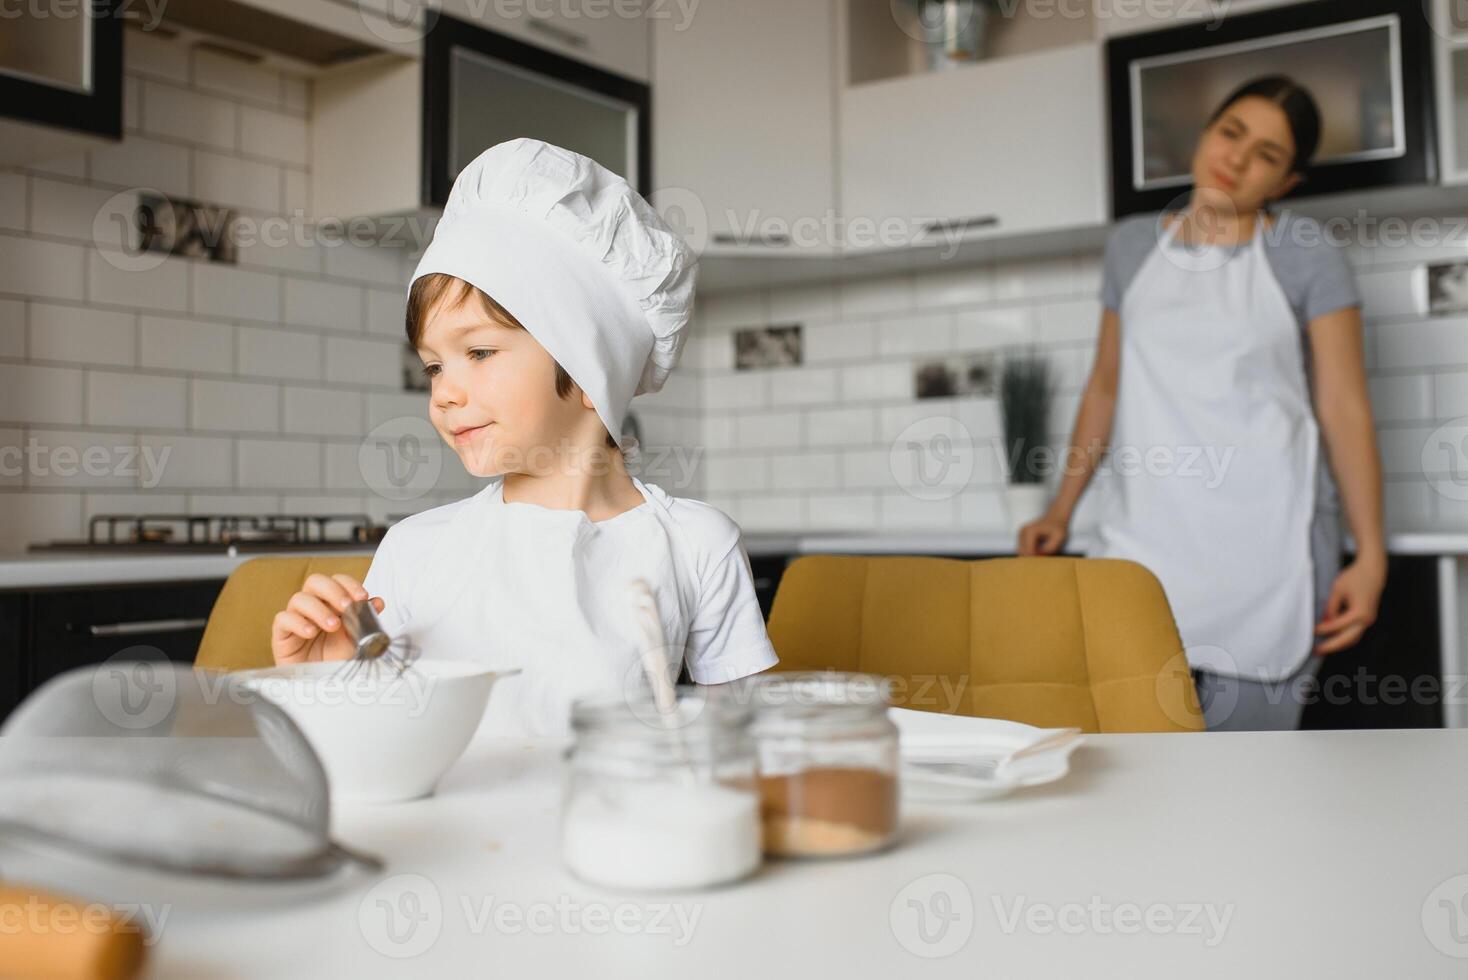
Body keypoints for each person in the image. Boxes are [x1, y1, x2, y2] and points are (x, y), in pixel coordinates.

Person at [269, 138, 779, 736]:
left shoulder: (696, 545)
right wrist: (328, 682)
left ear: (594, 369)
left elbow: (745, 747)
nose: (443, 394)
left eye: (479, 352)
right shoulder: (414, 552)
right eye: (435, 366)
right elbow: (382, 744)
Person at [1018, 77, 1385, 731]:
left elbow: (1343, 406)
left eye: (1267, 155)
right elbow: (1106, 385)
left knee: (1251, 783)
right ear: (1207, 133)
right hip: (1145, 540)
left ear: (1287, 182)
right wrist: (1062, 509)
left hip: (1271, 544)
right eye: (1231, 132)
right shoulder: (1132, 246)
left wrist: (1371, 556)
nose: (1238, 159)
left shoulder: (1306, 253)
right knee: (1132, 765)